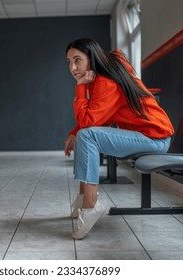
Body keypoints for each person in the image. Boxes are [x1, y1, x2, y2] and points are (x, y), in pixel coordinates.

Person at [64, 38, 174, 240]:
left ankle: (90, 206)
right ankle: (82, 199)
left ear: (92, 57)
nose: (73, 67)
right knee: (83, 135)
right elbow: (98, 118)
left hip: (154, 139)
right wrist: (74, 131)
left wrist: (80, 87)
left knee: (86, 135)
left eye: (77, 60)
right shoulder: (103, 76)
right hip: (146, 136)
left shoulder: (106, 82)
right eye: (69, 62)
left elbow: (89, 121)